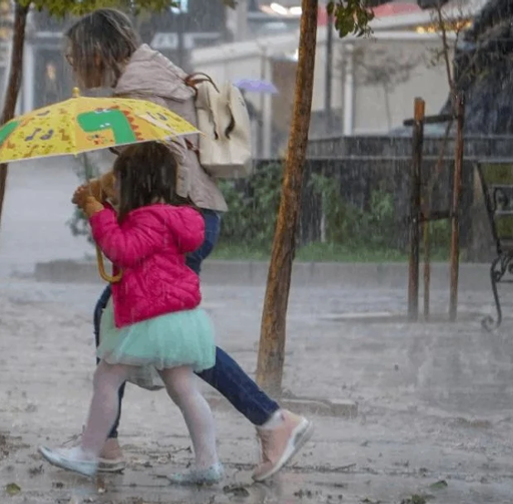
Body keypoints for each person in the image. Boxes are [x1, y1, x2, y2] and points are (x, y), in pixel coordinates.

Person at [63, 8, 313, 482]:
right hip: (192, 216)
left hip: (179, 222)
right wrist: (108, 184)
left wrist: (103, 194)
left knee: (176, 339)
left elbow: (160, 165)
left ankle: (272, 421)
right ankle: (108, 441)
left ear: (99, 52)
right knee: (155, 331)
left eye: (78, 58)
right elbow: (164, 158)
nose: (76, 67)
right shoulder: (157, 72)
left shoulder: (137, 90)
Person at [40, 142, 223, 484]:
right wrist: (101, 203)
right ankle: (207, 461)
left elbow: (122, 249)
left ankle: (88, 453)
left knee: (106, 378)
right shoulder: (170, 216)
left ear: (136, 183)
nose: (115, 186)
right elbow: (134, 239)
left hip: (151, 317)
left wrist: (97, 211)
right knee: (184, 388)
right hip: (180, 317)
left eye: (119, 181)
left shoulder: (149, 219)